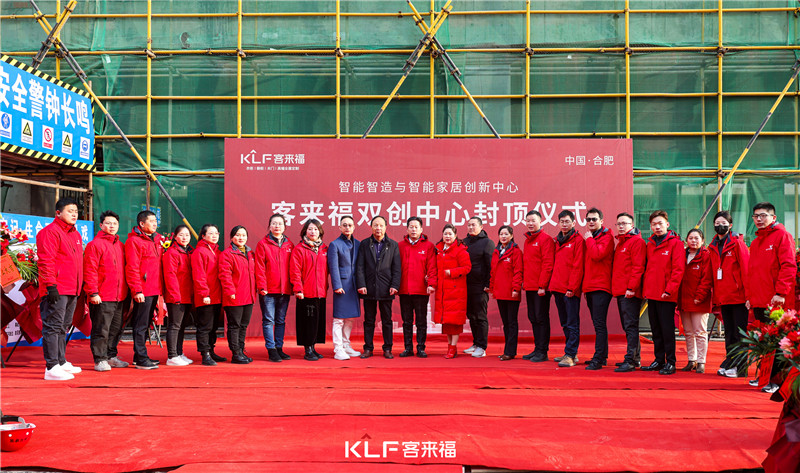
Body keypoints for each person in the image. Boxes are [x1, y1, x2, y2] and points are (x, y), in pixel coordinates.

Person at [746, 202, 797, 393]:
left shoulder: (783, 236)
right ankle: (765, 376)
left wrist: (781, 293)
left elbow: (788, 266)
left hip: (777, 300)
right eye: (756, 216)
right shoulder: (756, 242)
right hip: (759, 299)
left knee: (778, 341)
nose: (759, 219)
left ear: (773, 217)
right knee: (764, 341)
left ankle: (777, 381)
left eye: (763, 215)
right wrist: (750, 296)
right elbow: (752, 272)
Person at [38, 197, 84, 380]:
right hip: (57, 287)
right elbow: (46, 261)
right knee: (53, 326)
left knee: (63, 326)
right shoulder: (50, 232)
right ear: (58, 213)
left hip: (72, 287)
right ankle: (51, 367)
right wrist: (51, 285)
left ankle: (61, 361)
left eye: (76, 211)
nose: (74, 214)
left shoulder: (75, 234)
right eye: (70, 211)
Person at [83, 210, 129, 372]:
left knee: (116, 328)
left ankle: (111, 356)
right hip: (102, 295)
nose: (112, 226)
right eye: (108, 223)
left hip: (120, 295)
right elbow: (90, 270)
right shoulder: (95, 245)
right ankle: (100, 359)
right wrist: (93, 292)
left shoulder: (121, 245)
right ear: (101, 225)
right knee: (101, 329)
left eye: (115, 223)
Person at [641, 210, 685, 376]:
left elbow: (678, 270)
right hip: (652, 294)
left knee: (667, 330)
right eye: (654, 224)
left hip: (666, 295)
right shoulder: (650, 244)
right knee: (656, 329)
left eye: (660, 223)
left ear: (667, 224)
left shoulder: (676, 244)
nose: (657, 227)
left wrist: (669, 290)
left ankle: (670, 362)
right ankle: (658, 360)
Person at [708, 211, 750, 378]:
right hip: (724, 297)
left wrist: (748, 296)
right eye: (717, 223)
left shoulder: (737, 243)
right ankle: (730, 362)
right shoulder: (712, 246)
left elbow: (746, 270)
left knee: (740, 334)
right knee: (729, 332)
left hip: (739, 297)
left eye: (724, 223)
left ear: (730, 225)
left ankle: (741, 367)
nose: (720, 225)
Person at [356, 215, 401, 359]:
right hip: (368, 287)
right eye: (375, 225)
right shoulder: (364, 244)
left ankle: (387, 348)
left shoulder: (393, 245)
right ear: (371, 227)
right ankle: (368, 348)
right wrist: (361, 284)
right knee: (369, 320)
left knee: (387, 321)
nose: (378, 228)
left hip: (386, 288)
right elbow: (360, 266)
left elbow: (397, 268)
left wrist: (394, 285)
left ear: (386, 227)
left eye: (381, 225)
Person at [125, 210, 164, 370]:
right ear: (141, 224)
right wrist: (137, 290)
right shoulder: (134, 241)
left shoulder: (157, 240)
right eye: (151, 221)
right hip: (143, 289)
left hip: (154, 288)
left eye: (156, 221)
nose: (155, 223)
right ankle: (141, 358)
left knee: (146, 323)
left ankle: (139, 356)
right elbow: (132, 267)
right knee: (140, 324)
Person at [255, 213, 294, 362]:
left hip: (284, 289)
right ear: (269, 226)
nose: (277, 226)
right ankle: (271, 350)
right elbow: (259, 267)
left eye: (280, 223)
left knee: (280, 320)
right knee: (268, 320)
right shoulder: (263, 244)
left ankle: (279, 348)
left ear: (285, 226)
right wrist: (262, 286)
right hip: (268, 290)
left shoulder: (289, 245)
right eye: (274, 223)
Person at [549, 210, 585, 368]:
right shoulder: (557, 240)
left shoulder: (578, 240)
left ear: (573, 223)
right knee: (564, 322)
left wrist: (572, 287)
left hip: (570, 289)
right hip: (557, 288)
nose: (564, 224)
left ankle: (570, 355)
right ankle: (570, 352)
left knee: (572, 322)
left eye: (567, 221)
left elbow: (578, 266)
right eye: (562, 222)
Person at [611, 213, 646, 373]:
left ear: (632, 225)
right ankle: (635, 358)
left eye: (624, 223)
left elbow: (638, 267)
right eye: (619, 224)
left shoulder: (637, 242)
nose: (621, 226)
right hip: (621, 291)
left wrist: (631, 288)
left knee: (631, 326)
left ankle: (630, 360)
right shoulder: (621, 243)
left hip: (630, 292)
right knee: (628, 326)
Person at [290, 219, 329, 361]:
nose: (313, 232)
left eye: (316, 229)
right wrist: (298, 289)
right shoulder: (299, 249)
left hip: (321, 291)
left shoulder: (324, 249)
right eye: (310, 229)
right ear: (305, 231)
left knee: (317, 321)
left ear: (320, 232)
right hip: (306, 292)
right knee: (307, 321)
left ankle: (313, 347)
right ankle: (308, 349)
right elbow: (295, 271)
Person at [398, 217, 437, 358]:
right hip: (404, 290)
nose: (413, 229)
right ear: (407, 229)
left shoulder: (429, 246)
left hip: (421, 290)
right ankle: (408, 348)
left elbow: (432, 266)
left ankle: (421, 347)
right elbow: (395, 267)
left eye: (416, 227)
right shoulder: (400, 246)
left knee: (421, 321)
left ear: (421, 229)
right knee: (407, 321)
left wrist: (431, 284)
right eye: (411, 227)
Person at [581, 207, 614, 370]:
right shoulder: (592, 237)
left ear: (601, 221)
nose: (591, 222)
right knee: (597, 324)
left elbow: (597, 255)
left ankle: (599, 358)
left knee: (599, 324)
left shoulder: (607, 237)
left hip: (601, 287)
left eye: (594, 219)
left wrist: (588, 239)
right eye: (588, 219)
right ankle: (602, 356)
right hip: (590, 287)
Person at [219, 225, 256, 364]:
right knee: (235, 325)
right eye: (238, 235)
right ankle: (235, 353)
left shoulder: (250, 253)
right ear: (232, 237)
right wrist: (230, 291)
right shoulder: (227, 254)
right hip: (234, 296)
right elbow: (225, 275)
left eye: (243, 235)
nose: (241, 238)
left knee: (243, 325)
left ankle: (241, 350)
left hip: (249, 295)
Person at [434, 224, 472, 358]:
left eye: (450, 234)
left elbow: (467, 267)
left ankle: (453, 347)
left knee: (454, 322)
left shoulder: (460, 250)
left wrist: (452, 272)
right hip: (443, 290)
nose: (447, 236)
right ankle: (450, 346)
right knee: (447, 322)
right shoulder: (439, 250)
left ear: (455, 236)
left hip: (456, 291)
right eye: (445, 234)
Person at [678, 229, 713, 374]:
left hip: (700, 300)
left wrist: (700, 296)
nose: (693, 241)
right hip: (684, 299)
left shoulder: (706, 255)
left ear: (702, 241)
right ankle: (691, 360)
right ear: (686, 240)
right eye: (691, 238)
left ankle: (701, 361)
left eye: (696, 238)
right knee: (688, 332)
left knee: (700, 331)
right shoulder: (681, 254)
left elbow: (707, 278)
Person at [522, 210, 555, 362]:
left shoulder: (545, 239)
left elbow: (548, 264)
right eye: (528, 220)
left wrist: (542, 285)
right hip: (530, 286)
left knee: (541, 318)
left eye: (533, 220)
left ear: (540, 221)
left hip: (540, 288)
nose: (530, 223)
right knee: (533, 318)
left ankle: (543, 351)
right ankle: (537, 348)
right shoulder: (528, 240)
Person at [328, 215, 362, 360]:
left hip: (354, 285)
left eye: (350, 225)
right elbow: (333, 267)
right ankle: (338, 349)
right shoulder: (334, 244)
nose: (347, 227)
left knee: (350, 318)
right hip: (342, 286)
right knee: (339, 319)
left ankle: (346, 345)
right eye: (345, 225)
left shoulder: (358, 244)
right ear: (340, 227)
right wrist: (337, 285)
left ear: (354, 227)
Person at [191, 224, 225, 366]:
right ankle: (205, 353)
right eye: (210, 233)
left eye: (216, 233)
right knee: (205, 326)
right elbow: (199, 275)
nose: (214, 236)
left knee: (213, 327)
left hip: (217, 295)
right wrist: (204, 293)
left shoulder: (218, 252)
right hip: (205, 296)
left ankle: (211, 350)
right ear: (203, 236)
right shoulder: (199, 252)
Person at [461, 217, 494, 357]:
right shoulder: (464, 242)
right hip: (465, 286)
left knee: (480, 316)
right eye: (469, 225)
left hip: (480, 286)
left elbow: (491, 265)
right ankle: (475, 343)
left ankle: (482, 346)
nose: (471, 227)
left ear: (481, 227)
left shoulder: (487, 243)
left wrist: (488, 284)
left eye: (473, 225)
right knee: (471, 316)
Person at [490, 225, 523, 360]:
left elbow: (518, 271)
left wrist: (516, 289)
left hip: (511, 292)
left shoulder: (516, 251)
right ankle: (507, 350)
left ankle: (510, 351)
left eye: (506, 234)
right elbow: (493, 272)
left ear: (511, 236)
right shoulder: (496, 251)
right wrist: (492, 287)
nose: (503, 236)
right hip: (500, 292)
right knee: (506, 322)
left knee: (512, 322)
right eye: (501, 234)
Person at [162, 225, 194, 366]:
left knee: (181, 326)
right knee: (174, 325)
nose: (184, 237)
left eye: (187, 235)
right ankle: (172, 356)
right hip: (176, 295)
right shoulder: (172, 253)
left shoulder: (190, 252)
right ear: (175, 237)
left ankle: (179, 353)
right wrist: (175, 295)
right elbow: (170, 276)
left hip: (187, 295)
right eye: (181, 235)